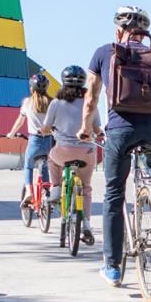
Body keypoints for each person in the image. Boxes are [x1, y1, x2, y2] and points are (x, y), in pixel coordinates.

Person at [81, 5, 151, 285]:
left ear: (118, 30)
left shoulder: (103, 52)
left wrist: (85, 127)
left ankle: (113, 268)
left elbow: (91, 99)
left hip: (121, 129)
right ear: (144, 34)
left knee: (114, 194)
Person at [45, 66, 99, 246]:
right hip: (86, 153)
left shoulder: (55, 103)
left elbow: (46, 127)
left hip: (63, 151)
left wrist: (44, 130)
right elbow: (98, 129)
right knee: (86, 188)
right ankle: (87, 226)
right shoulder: (89, 102)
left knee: (51, 159)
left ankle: (55, 188)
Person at [7, 72, 54, 200]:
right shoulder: (52, 102)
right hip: (49, 142)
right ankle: (46, 191)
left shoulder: (28, 102)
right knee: (44, 164)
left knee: (28, 165)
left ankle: (29, 192)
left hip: (35, 141)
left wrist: (11, 134)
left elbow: (20, 121)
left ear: (31, 88)